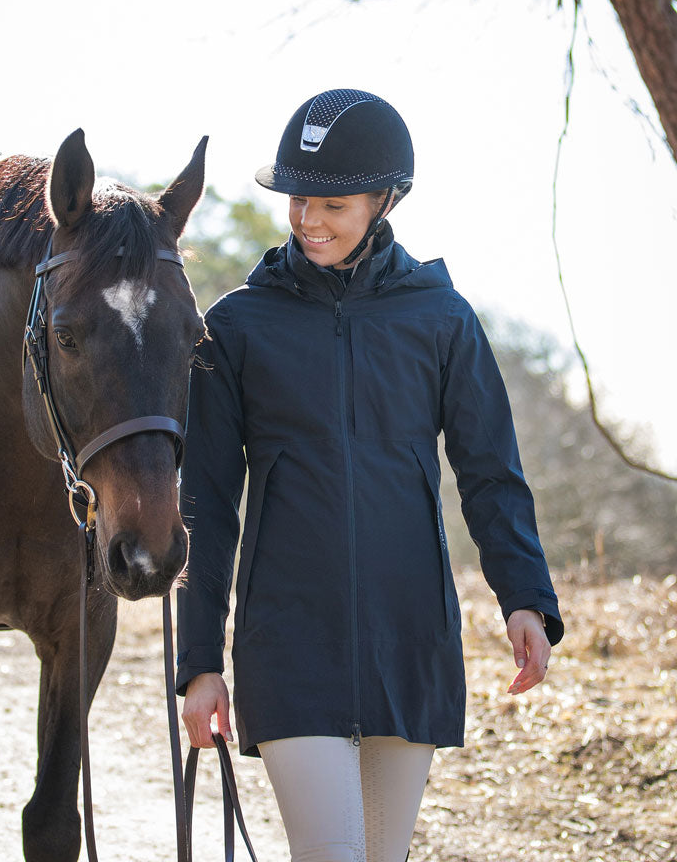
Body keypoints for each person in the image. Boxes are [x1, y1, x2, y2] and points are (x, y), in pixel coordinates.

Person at [176, 89, 563, 862]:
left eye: (333, 204)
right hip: (287, 640)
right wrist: (199, 662)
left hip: (410, 635)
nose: (308, 219)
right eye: (297, 198)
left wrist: (525, 597)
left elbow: (490, 472)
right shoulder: (236, 327)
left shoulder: (442, 319)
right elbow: (206, 505)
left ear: (385, 200)